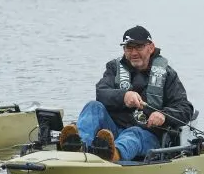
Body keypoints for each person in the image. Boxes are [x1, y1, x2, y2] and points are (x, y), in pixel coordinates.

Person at [58, 25, 195, 162]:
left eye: (138, 47)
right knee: (93, 106)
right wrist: (123, 96)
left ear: (151, 47)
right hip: (112, 131)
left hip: (147, 136)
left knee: (133, 134)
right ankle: (79, 149)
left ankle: (112, 155)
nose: (133, 52)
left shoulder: (168, 75)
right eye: (129, 48)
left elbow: (185, 108)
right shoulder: (113, 68)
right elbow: (101, 93)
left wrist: (164, 115)